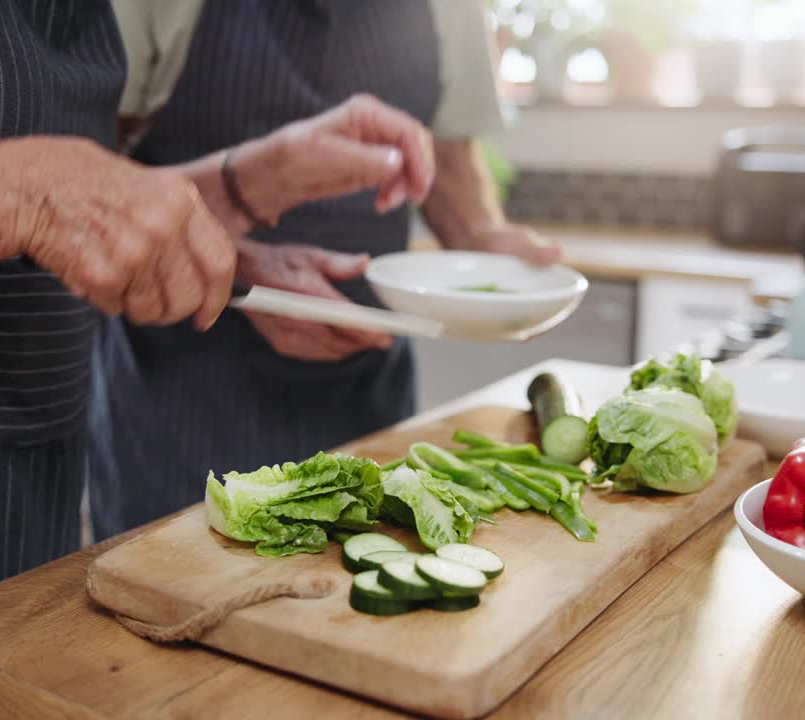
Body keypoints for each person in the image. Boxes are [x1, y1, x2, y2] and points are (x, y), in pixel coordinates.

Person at [0, 2, 432, 717]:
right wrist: (19, 193)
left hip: (9, 567)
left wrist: (250, 188)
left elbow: (57, 217)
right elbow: (30, 196)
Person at [88, 0, 561, 541]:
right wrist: (236, 265)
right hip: (178, 396)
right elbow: (93, 179)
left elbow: (450, 154)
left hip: (369, 395)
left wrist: (481, 241)